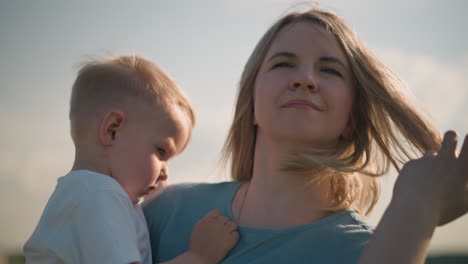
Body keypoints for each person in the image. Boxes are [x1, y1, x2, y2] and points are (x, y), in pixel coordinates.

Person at [143, 7, 468, 264]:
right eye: (284, 64)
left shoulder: (369, 252)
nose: (305, 79)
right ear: (252, 103)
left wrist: (416, 208)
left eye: (329, 70)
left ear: (353, 118)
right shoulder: (165, 211)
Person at [23, 55, 239, 264]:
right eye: (161, 152)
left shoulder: (82, 193)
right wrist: (199, 257)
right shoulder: (100, 195)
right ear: (112, 130)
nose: (166, 173)